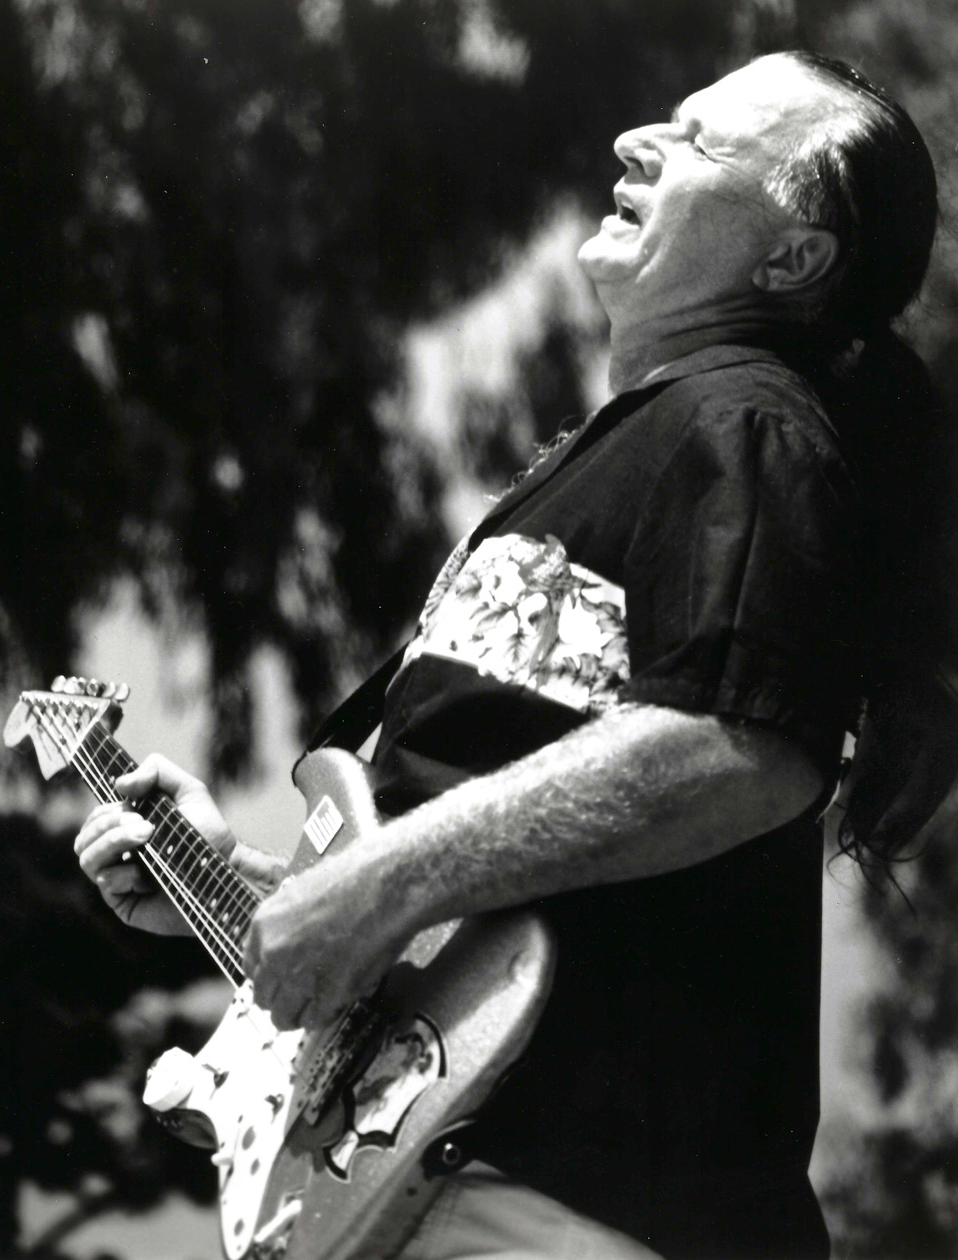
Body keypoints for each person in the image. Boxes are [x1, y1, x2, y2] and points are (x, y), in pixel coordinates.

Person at [74, 51, 952, 1259]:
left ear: (792, 260)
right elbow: (472, 925)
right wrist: (250, 890)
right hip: (446, 1182)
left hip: (578, 1204)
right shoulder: (628, 447)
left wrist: (377, 885)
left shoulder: (744, 420)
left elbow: (740, 747)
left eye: (701, 141)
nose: (638, 140)